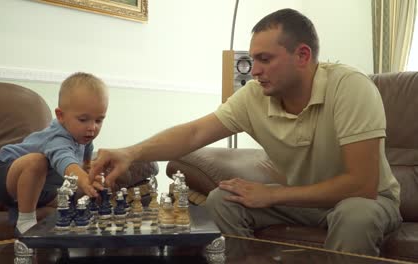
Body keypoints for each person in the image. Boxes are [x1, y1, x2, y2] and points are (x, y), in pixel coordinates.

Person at [89, 8, 402, 256]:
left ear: (303, 56)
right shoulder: (254, 96)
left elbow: (362, 184)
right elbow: (195, 133)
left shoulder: (350, 88)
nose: (254, 70)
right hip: (303, 204)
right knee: (223, 200)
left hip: (366, 200)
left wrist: (274, 193)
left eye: (265, 59)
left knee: (355, 216)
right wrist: (131, 153)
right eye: (253, 60)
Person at [0, 72, 107, 234]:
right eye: (83, 119)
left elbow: (85, 164)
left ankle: (20, 210)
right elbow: (66, 162)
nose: (92, 127)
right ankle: (26, 222)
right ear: (60, 116)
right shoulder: (58, 137)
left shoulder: (85, 138)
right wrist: (85, 180)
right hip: (5, 177)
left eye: (98, 120)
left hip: (42, 191)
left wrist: (91, 175)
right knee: (37, 161)